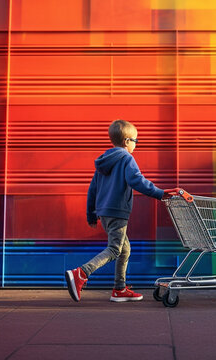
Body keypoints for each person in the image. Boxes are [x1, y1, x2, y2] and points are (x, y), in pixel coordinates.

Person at [65, 119, 170, 302]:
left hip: (104, 212)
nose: (136, 145)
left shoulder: (104, 161)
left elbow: (92, 189)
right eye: (136, 141)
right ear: (127, 141)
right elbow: (137, 180)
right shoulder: (126, 158)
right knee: (114, 249)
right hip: (117, 211)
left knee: (125, 249)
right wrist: (160, 194)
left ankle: (119, 289)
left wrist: (91, 215)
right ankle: (81, 273)